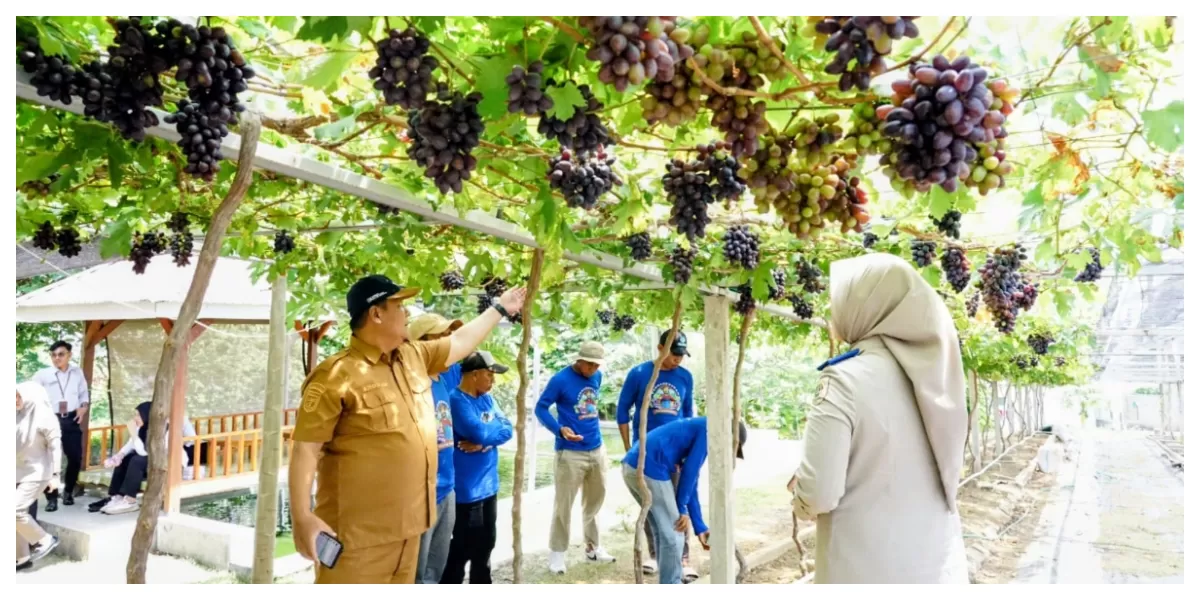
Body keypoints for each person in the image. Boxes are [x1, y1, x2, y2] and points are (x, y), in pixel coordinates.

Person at [288, 274, 526, 585]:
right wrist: (302, 516)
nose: (406, 312)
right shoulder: (335, 376)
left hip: (411, 531)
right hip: (358, 540)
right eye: (399, 305)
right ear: (376, 313)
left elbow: (460, 341)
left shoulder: (413, 357)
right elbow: (305, 449)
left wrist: (500, 308)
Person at [787, 253, 969, 584]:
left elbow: (819, 494)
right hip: (936, 568)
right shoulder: (938, 380)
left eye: (840, 299)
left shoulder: (843, 379)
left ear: (863, 306)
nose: (833, 310)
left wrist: (800, 494)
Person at [622, 416, 747, 585]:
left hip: (631, 467)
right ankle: (672, 584)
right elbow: (690, 472)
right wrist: (681, 508)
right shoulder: (709, 430)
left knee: (663, 532)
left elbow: (691, 480)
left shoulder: (702, 427)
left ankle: (668, 582)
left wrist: (699, 526)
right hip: (649, 467)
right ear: (727, 436)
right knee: (675, 532)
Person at [616, 330, 696, 578]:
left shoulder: (685, 377)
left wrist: (687, 451)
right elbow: (622, 411)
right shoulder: (640, 373)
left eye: (681, 355)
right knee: (652, 505)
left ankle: (683, 558)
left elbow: (688, 413)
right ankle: (654, 555)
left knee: (680, 502)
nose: (678, 359)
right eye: (674, 354)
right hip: (647, 455)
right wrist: (629, 447)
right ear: (660, 348)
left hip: (676, 454)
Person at [535, 341, 615, 574]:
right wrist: (559, 429)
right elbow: (541, 408)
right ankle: (557, 554)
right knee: (564, 506)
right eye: (590, 364)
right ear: (579, 360)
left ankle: (593, 548)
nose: (593, 369)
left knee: (595, 501)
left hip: (596, 449)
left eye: (597, 365)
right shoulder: (560, 380)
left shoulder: (597, 377)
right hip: (569, 453)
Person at [441, 351, 513, 584]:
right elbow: (479, 432)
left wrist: (485, 444)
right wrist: (487, 437)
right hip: (467, 490)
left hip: (489, 486)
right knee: (462, 547)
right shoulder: (457, 401)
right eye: (490, 375)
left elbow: (508, 428)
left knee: (486, 545)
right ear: (474, 375)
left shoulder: (487, 399)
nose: (493, 381)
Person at [408, 312, 464, 584]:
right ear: (420, 344)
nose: (447, 342)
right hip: (419, 492)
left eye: (448, 336)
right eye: (440, 337)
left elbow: (467, 343)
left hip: (446, 488)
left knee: (436, 567)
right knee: (414, 572)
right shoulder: (410, 382)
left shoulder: (445, 377)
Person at [33, 340, 89, 510]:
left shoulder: (77, 372)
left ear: (69, 355)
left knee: (75, 457)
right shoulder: (42, 374)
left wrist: (83, 407)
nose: (57, 358)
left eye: (61, 354)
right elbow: (31, 395)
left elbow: (83, 394)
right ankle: (51, 498)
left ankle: (68, 491)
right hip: (50, 419)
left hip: (71, 419)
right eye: (54, 355)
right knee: (49, 459)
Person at [16, 381, 62, 569]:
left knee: (14, 511)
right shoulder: (18, 415)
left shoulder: (46, 416)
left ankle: (45, 539)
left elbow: (55, 447)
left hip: (38, 473)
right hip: (18, 472)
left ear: (30, 396)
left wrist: (56, 475)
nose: (15, 399)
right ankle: (21, 557)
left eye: (18, 396)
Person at [88, 402, 152, 515]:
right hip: (142, 463)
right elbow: (130, 444)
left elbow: (143, 453)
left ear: (147, 415)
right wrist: (119, 456)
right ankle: (117, 496)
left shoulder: (158, 430)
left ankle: (130, 501)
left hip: (155, 464)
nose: (135, 418)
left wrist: (133, 433)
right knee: (124, 459)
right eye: (135, 415)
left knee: (136, 460)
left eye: (138, 415)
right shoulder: (140, 428)